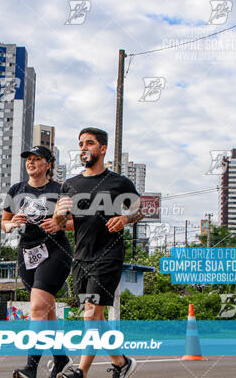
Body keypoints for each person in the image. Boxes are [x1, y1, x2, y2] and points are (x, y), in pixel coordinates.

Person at [54, 128, 144, 378]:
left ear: (102, 148)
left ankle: (80, 371)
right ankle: (121, 362)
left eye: (89, 143)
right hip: (81, 257)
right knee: (95, 316)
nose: (84, 148)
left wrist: (125, 219)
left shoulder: (119, 182)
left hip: (109, 255)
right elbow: (63, 223)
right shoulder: (70, 184)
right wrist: (58, 215)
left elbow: (139, 211)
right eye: (81, 143)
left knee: (92, 312)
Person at [2, 145, 73, 378]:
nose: (31, 163)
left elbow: (76, 222)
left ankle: (30, 368)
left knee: (37, 308)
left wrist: (59, 223)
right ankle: (61, 359)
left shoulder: (60, 190)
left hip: (55, 251)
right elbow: (4, 222)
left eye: (37, 159)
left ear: (48, 164)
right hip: (27, 253)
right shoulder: (16, 190)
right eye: (28, 159)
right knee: (48, 312)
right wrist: (12, 224)